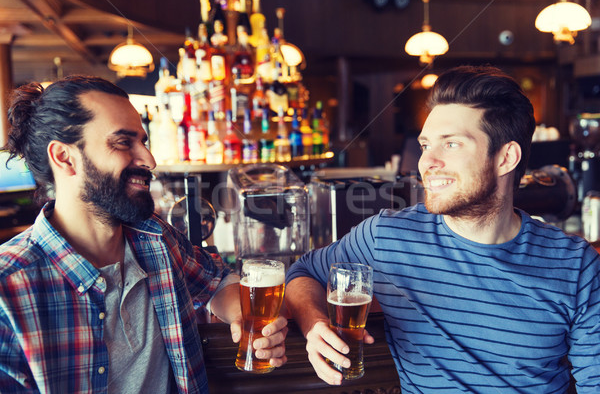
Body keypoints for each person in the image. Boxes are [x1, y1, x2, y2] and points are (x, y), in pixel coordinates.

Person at [285, 65, 600, 393]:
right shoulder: (388, 237)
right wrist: (314, 323)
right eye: (425, 145)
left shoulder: (576, 266)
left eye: (450, 145)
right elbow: (303, 272)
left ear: (506, 158)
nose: (426, 162)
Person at [0, 76, 288, 393]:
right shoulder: (9, 290)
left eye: (143, 142)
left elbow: (216, 281)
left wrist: (243, 319)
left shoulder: (154, 238)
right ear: (65, 158)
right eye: (124, 143)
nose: (149, 160)